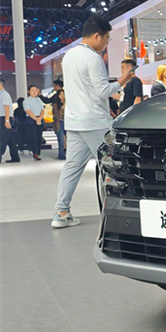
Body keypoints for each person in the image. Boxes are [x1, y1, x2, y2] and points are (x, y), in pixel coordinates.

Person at [52, 16, 134, 229]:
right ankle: (120, 213)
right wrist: (123, 80)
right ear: (97, 36)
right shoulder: (93, 58)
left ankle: (61, 212)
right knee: (112, 166)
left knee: (71, 168)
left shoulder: (68, 56)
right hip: (95, 121)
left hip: (74, 121)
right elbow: (102, 91)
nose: (106, 44)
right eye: (106, 39)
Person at [0, 78, 20, 163]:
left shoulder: (4, 94)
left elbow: (7, 108)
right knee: (10, 139)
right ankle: (15, 157)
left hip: (4, 118)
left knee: (3, 138)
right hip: (5, 118)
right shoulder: (2, 94)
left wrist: (7, 121)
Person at [23, 85, 45, 161]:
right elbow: (28, 111)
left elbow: (42, 110)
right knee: (33, 137)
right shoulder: (26, 101)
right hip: (31, 120)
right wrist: (36, 119)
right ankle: (35, 153)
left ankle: (38, 152)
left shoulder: (39, 100)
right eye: (32, 90)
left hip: (39, 119)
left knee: (39, 137)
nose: (34, 92)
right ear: (29, 91)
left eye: (36, 90)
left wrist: (40, 118)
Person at [52, 89, 66, 160]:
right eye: (61, 95)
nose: (62, 96)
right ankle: (61, 155)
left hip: (67, 122)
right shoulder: (56, 105)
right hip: (59, 123)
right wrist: (62, 108)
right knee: (61, 139)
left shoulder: (68, 104)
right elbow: (56, 115)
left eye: (63, 94)